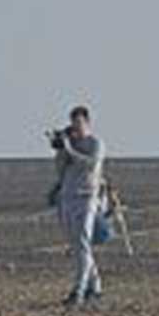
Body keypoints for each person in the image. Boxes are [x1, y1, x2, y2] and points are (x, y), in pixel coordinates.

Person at [51, 105, 105, 305]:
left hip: (86, 197)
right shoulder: (71, 144)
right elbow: (60, 171)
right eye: (73, 123)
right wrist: (60, 150)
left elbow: (90, 164)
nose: (76, 127)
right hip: (67, 197)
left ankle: (78, 290)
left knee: (82, 242)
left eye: (79, 123)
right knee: (77, 245)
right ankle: (95, 286)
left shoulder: (95, 143)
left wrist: (70, 149)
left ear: (87, 123)